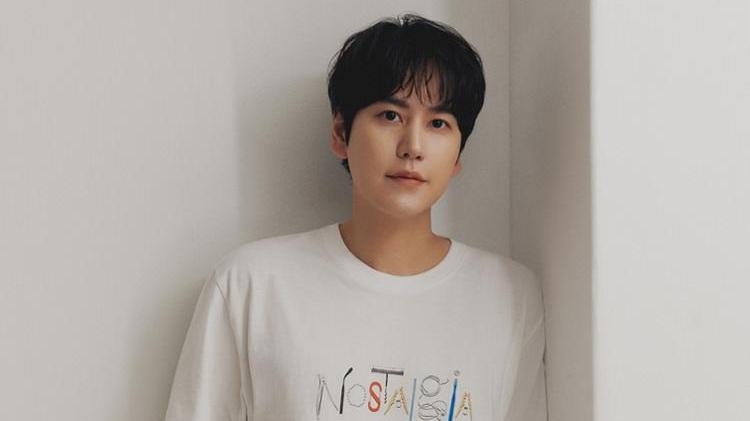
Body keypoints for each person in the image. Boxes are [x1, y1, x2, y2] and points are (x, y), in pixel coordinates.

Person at [164, 13, 547, 421]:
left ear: (457, 155)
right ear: (340, 134)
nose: (413, 146)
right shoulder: (252, 285)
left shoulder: (510, 295)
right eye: (391, 116)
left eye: (438, 123)